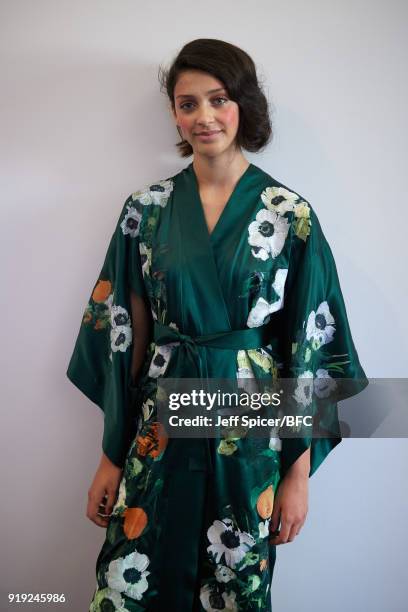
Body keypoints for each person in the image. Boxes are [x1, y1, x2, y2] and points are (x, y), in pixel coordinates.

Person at [66, 38, 368, 612]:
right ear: (175, 114)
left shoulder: (289, 214)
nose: (204, 117)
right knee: (136, 570)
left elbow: (310, 346)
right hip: (161, 428)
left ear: (243, 105)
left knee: (233, 581)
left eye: (219, 99)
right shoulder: (145, 210)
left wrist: (297, 476)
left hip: (248, 431)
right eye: (187, 104)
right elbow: (125, 338)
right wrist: (109, 457)